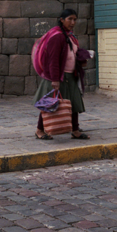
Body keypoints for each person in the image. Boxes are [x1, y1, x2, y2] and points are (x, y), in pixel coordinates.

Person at [33, 8, 92, 140]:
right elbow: (53, 60)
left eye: (75, 19)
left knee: (74, 103)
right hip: (58, 77)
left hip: (71, 76)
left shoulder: (70, 36)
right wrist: (55, 79)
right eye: (69, 19)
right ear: (62, 20)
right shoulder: (57, 36)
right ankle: (39, 130)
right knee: (50, 104)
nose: (72, 22)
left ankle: (75, 130)